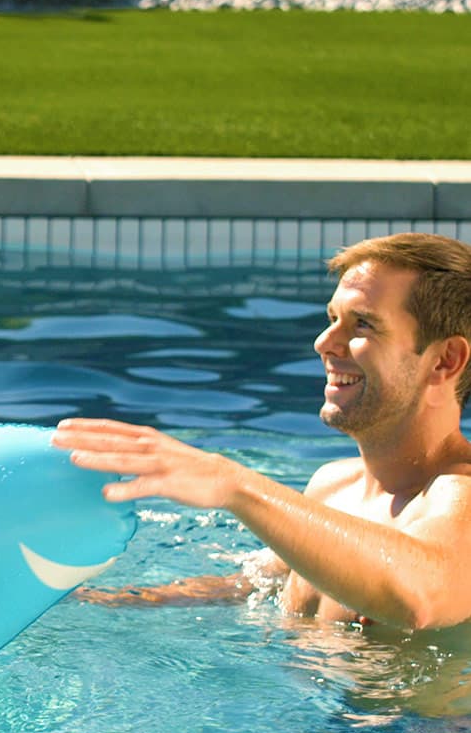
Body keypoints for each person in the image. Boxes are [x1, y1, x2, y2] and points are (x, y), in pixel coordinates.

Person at [51, 232, 471, 631]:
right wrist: (90, 600)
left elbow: (422, 598)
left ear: (444, 360)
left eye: (362, 324)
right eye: (332, 318)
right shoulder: (332, 486)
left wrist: (233, 484)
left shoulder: (461, 496)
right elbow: (253, 584)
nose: (325, 342)